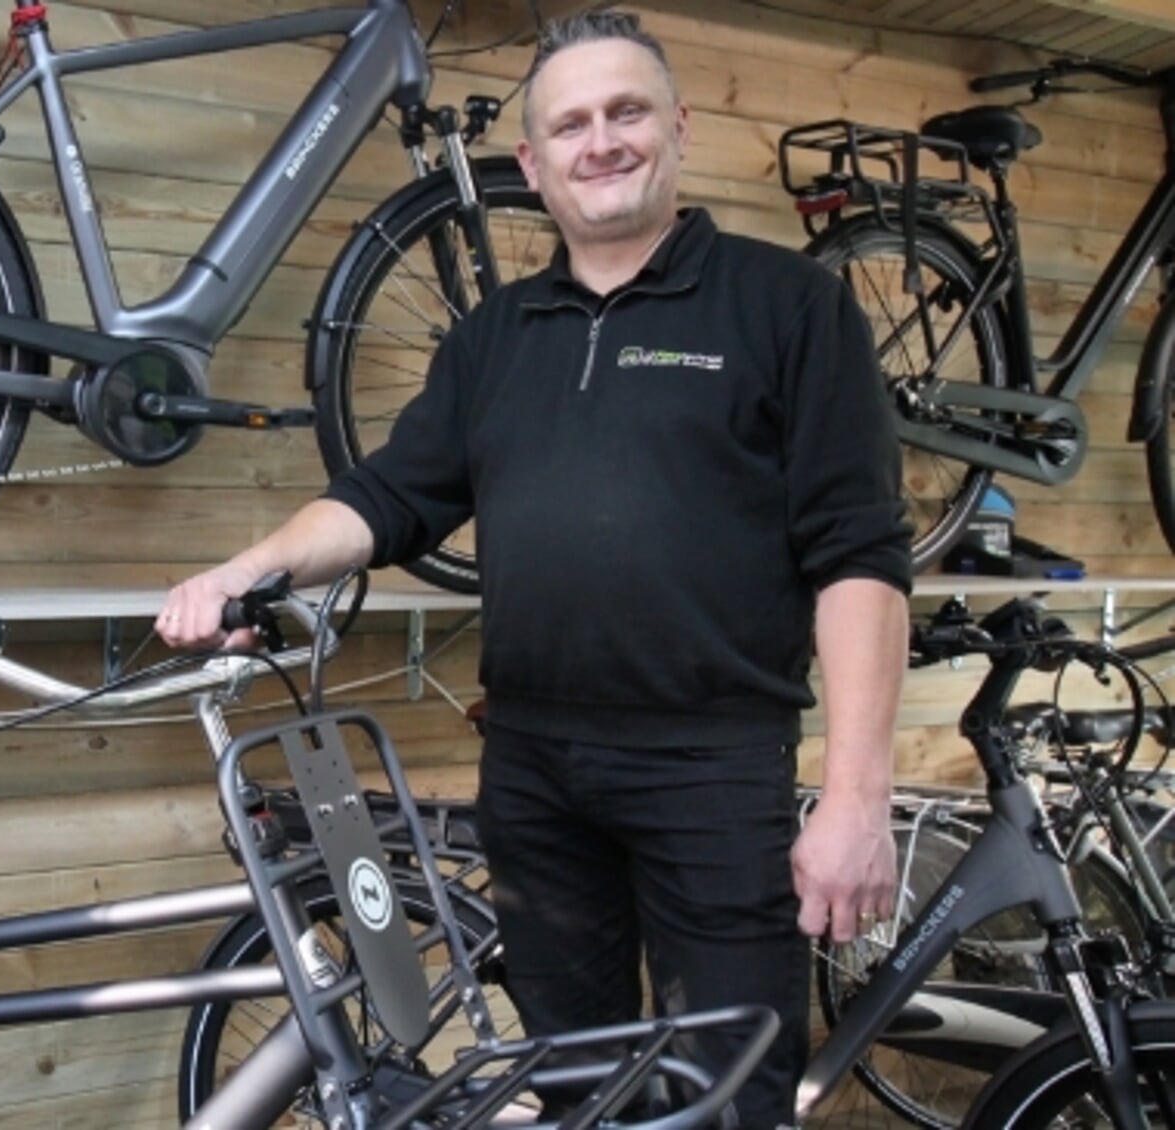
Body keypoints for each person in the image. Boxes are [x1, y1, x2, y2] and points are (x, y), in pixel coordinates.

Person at [156, 10, 911, 1126]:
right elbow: (386, 498)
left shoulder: (786, 306)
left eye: (624, 112)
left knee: (728, 1097)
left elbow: (858, 554)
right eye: (570, 124)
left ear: (677, 129)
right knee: (570, 1087)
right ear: (533, 162)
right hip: (533, 770)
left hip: (710, 767)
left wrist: (855, 796)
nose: (598, 141)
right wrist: (244, 568)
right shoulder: (494, 335)